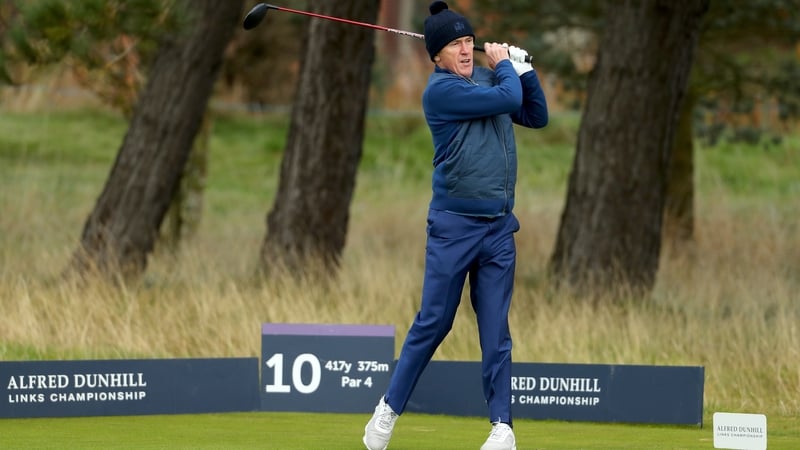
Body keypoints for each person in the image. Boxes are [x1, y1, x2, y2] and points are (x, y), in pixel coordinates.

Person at [362, 1, 548, 450]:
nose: (465, 50)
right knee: (434, 322)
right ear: (437, 56)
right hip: (454, 227)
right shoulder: (441, 92)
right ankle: (388, 409)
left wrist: (523, 70)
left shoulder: (489, 79)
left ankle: (502, 428)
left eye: (468, 41)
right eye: (454, 45)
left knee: (496, 331)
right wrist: (507, 67)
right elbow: (508, 99)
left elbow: (535, 114)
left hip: (498, 229)